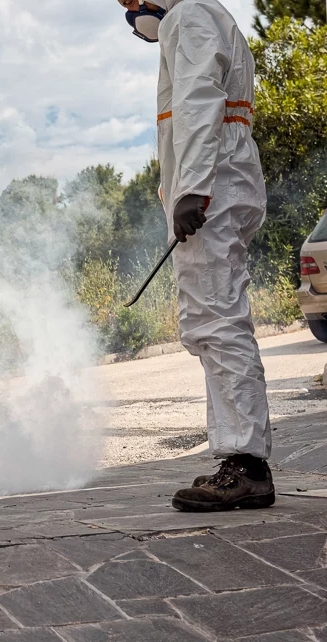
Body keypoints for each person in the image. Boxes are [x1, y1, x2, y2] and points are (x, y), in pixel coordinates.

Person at [117, 0, 274, 511]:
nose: (126, 6)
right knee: (212, 320)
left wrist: (193, 189)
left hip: (214, 186)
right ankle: (235, 456)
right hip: (222, 182)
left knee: (217, 320)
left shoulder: (189, 16)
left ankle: (246, 465)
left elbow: (199, 103)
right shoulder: (201, 16)